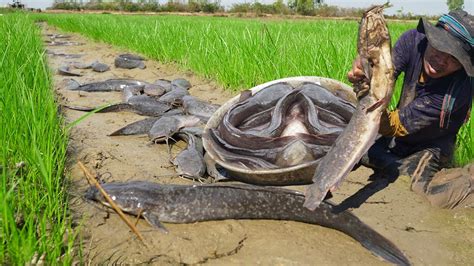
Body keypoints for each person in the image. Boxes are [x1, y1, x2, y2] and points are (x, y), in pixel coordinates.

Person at [347, 10, 473, 209]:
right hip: (396, 137)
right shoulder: (413, 41)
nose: (441, 61)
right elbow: (385, 75)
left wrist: (368, 107)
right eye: (439, 48)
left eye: (453, 59)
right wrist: (365, 76)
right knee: (356, 152)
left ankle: (466, 183)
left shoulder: (456, 93)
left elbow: (397, 124)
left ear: (462, 65)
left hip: (430, 144)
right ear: (431, 38)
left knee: (411, 188)